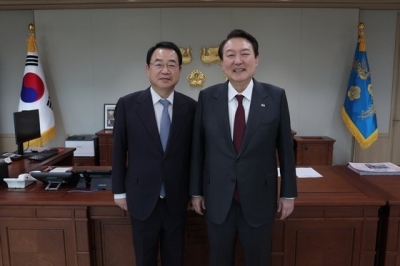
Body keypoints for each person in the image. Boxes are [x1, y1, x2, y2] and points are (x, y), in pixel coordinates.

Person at [189, 29, 298, 266]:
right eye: (230, 55)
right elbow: (198, 149)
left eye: (245, 54)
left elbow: (286, 151)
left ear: (256, 59)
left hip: (260, 198)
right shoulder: (207, 97)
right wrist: (196, 191)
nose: (238, 61)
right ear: (222, 63)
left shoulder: (275, 96)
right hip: (217, 198)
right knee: (218, 260)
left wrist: (288, 193)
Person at [112, 41, 197, 266]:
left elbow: (196, 155)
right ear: (147, 68)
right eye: (158, 64)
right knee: (144, 259)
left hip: (177, 199)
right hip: (140, 198)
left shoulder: (191, 108)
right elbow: (119, 151)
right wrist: (118, 191)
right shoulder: (127, 105)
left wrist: (195, 191)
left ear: (179, 69)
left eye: (172, 64)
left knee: (175, 259)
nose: (165, 70)